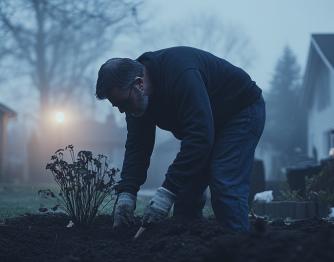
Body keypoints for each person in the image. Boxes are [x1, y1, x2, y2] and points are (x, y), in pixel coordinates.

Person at [95, 46, 265, 232]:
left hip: (240, 112)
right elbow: (138, 148)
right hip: (208, 123)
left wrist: (167, 191)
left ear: (139, 83)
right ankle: (188, 253)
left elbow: (199, 136)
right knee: (186, 192)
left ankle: (239, 249)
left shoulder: (181, 74)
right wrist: (126, 192)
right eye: (117, 106)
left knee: (224, 182)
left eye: (124, 103)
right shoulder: (134, 99)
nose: (122, 110)